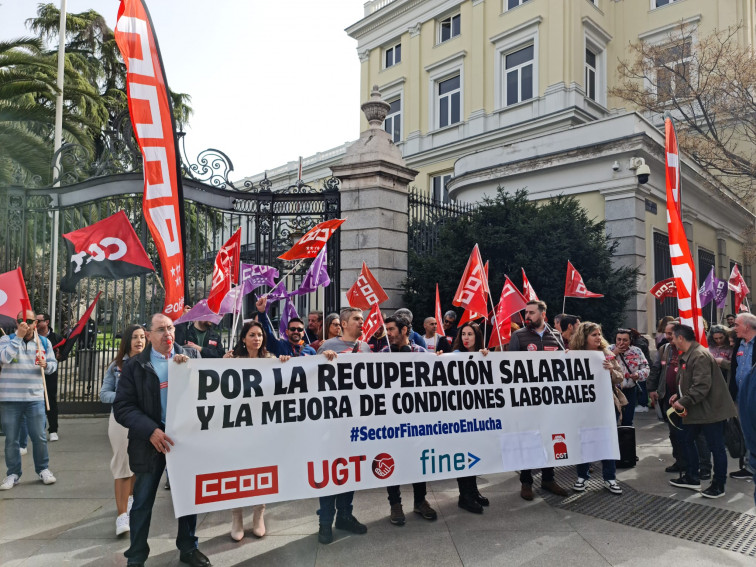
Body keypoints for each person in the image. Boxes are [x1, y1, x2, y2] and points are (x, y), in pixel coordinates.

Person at [113, 313, 210, 567]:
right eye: (160, 330)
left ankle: (189, 548)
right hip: (150, 443)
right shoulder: (135, 366)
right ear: (148, 335)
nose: (167, 334)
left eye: (170, 328)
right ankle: (136, 556)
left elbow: (211, 390)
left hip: (184, 443)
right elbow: (123, 407)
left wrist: (188, 369)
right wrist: (151, 430)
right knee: (143, 501)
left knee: (188, 500)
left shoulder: (192, 357)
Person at [222, 321, 290, 542]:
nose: (257, 338)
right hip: (237, 427)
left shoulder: (271, 360)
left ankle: (259, 515)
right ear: (243, 338)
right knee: (235, 470)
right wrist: (221, 366)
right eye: (252, 335)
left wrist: (285, 364)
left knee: (261, 468)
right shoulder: (234, 361)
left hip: (263, 426)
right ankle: (237, 517)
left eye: (260, 335)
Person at [316, 306, 370, 544]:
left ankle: (345, 516)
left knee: (350, 470)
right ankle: (325, 523)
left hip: (356, 421)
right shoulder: (327, 347)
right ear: (344, 324)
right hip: (331, 422)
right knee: (331, 471)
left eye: (362, 319)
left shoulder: (366, 348)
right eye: (357, 319)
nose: (362, 322)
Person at [377, 315, 438, 525]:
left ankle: (420, 501)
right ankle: (395, 504)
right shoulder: (383, 353)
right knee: (392, 461)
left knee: (417, 460)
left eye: (392, 329)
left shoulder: (420, 352)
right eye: (387, 329)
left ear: (404, 331)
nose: (389, 334)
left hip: (416, 420)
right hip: (391, 421)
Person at [508, 300, 569, 501]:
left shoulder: (557, 336)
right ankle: (526, 482)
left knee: (549, 437)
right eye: (526, 312)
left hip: (550, 399)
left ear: (543, 313)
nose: (528, 316)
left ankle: (548, 478)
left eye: (532, 312)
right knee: (528, 438)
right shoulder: (519, 336)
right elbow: (510, 367)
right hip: (527, 400)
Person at [668, 324, 737, 498]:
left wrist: (683, 401)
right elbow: (690, 380)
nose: (672, 340)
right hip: (698, 409)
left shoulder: (698, 355)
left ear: (680, 338)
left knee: (716, 448)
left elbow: (701, 385)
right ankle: (692, 477)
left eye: (674, 337)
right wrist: (679, 394)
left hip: (710, 411)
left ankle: (718, 485)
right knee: (686, 439)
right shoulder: (692, 354)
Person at [0, 309, 58, 490]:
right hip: (10, 398)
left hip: (34, 398)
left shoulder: (44, 342)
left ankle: (43, 469)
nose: (26, 324)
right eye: (21, 321)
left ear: (36, 323)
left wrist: (46, 365)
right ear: (16, 323)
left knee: (39, 436)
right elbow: (4, 358)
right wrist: (18, 337)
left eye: (30, 321)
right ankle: (13, 474)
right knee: (11, 439)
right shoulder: (6, 340)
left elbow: (53, 366)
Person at [647, 320, 711, 478]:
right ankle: (681, 461)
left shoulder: (690, 350)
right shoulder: (664, 349)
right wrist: (652, 389)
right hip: (669, 397)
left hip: (689, 398)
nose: (668, 337)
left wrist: (684, 397)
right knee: (674, 432)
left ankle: (704, 467)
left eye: (671, 334)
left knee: (696, 434)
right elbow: (656, 369)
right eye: (667, 333)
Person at [100, 324, 145, 536]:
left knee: (136, 463)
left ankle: (131, 499)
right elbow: (104, 394)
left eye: (143, 337)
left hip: (144, 420)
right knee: (122, 465)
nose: (139, 341)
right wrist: (123, 398)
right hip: (121, 419)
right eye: (135, 337)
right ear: (127, 341)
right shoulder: (116, 366)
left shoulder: (151, 362)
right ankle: (121, 515)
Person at [569, 322, 624, 495]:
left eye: (599, 334)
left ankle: (610, 478)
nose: (598, 337)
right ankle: (582, 478)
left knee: (607, 441)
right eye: (594, 334)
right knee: (584, 441)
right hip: (583, 408)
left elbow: (620, 377)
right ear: (584, 337)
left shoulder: (606, 354)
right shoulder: (574, 355)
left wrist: (611, 372)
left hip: (606, 407)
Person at [449, 322, 492, 512]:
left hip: (477, 416)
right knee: (463, 455)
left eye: (470, 334)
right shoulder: (455, 356)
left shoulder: (483, 355)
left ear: (477, 337)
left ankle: (473, 491)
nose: (466, 338)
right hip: (460, 417)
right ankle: (464, 496)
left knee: (474, 454)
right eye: (463, 334)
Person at [730, 313, 756, 480]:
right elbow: (734, 369)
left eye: (737, 324)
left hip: (753, 397)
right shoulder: (739, 345)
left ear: (747, 326)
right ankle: (748, 466)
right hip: (740, 396)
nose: (734, 327)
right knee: (745, 431)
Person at [610, 329, 650, 425]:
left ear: (630, 340)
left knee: (628, 420)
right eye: (619, 339)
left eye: (625, 340)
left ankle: (626, 439)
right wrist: (613, 354)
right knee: (613, 419)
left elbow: (646, 368)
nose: (621, 343)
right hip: (614, 390)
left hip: (630, 389)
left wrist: (638, 374)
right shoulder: (608, 349)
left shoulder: (636, 351)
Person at [34, 312, 63, 441]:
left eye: (39, 321)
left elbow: (63, 354)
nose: (36, 323)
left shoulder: (56, 337)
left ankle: (53, 429)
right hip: (34, 373)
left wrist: (59, 356)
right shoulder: (31, 337)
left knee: (50, 400)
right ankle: (39, 429)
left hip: (49, 373)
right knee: (36, 402)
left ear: (46, 322)